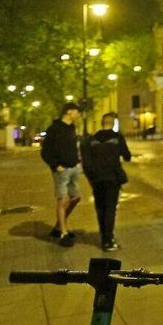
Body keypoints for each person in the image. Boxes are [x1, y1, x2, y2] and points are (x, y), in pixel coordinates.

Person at [81, 112, 132, 251]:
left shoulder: (91, 140)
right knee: (110, 208)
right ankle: (108, 240)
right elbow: (127, 156)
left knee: (100, 208)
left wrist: (91, 177)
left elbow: (86, 162)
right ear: (113, 123)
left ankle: (104, 236)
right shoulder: (117, 138)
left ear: (102, 123)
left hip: (97, 179)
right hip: (112, 178)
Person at [41, 102, 83, 247]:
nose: (79, 115)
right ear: (69, 112)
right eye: (77, 112)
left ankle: (59, 226)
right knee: (63, 200)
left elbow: (71, 148)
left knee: (76, 198)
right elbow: (45, 151)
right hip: (61, 170)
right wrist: (55, 166)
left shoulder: (72, 128)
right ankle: (63, 233)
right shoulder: (54, 129)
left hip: (74, 168)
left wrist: (78, 162)